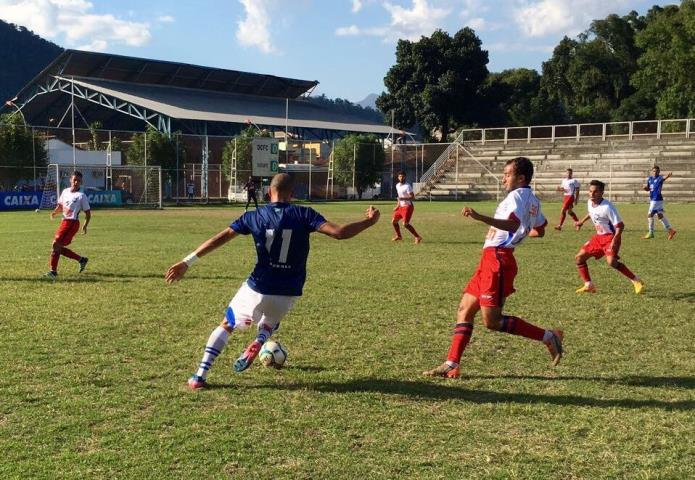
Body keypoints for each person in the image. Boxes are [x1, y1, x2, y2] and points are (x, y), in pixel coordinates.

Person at [165, 173, 380, 390]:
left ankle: (199, 376)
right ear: (292, 195)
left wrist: (187, 262)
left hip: (258, 286)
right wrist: (370, 222)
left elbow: (221, 237)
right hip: (289, 290)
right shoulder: (304, 214)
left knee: (228, 324)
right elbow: (340, 233)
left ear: (269, 193)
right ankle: (261, 338)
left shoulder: (254, 216)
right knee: (271, 321)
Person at [423, 157, 564, 379]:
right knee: (464, 310)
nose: (503, 178)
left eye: (507, 174)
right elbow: (540, 229)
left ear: (521, 178)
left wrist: (480, 217)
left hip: (498, 259)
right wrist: (520, 235)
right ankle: (452, 363)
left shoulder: (516, 196)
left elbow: (513, 224)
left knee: (493, 321)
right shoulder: (532, 200)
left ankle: (549, 336)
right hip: (491, 258)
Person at [574, 180, 644, 294]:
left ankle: (636, 280)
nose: (592, 194)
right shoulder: (589, 202)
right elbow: (592, 213)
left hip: (611, 237)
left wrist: (615, 240)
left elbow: (620, 225)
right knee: (579, 258)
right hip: (598, 237)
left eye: (595, 192)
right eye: (590, 191)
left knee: (611, 262)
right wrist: (581, 221)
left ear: (602, 192)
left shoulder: (607, 207)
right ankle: (588, 285)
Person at [45, 171, 90, 279]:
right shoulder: (65, 192)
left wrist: (85, 225)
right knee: (57, 247)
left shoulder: (81, 196)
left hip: (72, 224)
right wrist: (55, 212)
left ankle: (53, 272)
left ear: (81, 182)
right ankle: (81, 259)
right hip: (64, 222)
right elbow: (60, 205)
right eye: (74, 180)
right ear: (70, 180)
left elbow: (88, 213)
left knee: (56, 244)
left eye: (78, 181)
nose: (76, 182)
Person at [643, 166, 676, 240]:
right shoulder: (650, 179)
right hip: (654, 200)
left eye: (657, 171)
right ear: (652, 172)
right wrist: (646, 189)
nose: (655, 172)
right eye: (654, 171)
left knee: (650, 215)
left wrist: (668, 175)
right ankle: (671, 230)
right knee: (660, 216)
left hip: (656, 199)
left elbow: (664, 178)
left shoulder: (659, 178)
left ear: (659, 172)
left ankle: (651, 233)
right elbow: (649, 188)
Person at [391, 171, 422, 244]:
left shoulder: (407, 186)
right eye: (400, 176)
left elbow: (413, 197)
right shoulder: (397, 185)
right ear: (398, 177)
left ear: (405, 177)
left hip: (408, 207)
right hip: (401, 207)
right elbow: (399, 197)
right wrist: (397, 206)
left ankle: (417, 237)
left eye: (402, 176)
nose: (401, 178)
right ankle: (399, 236)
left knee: (405, 224)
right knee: (394, 221)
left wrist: (403, 199)